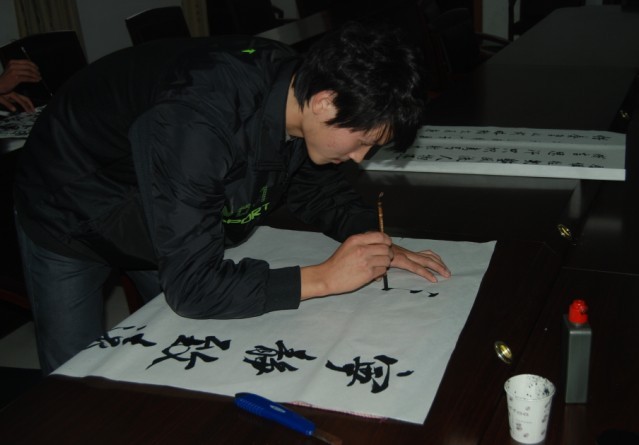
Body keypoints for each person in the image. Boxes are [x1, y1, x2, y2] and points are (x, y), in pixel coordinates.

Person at [14, 21, 451, 374]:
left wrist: (372, 240)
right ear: (324, 102)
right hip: (70, 203)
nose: (359, 158)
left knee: (171, 347)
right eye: (363, 141)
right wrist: (325, 278)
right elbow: (193, 288)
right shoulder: (197, 120)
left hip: (162, 195)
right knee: (75, 375)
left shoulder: (295, 91)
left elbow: (310, 183)